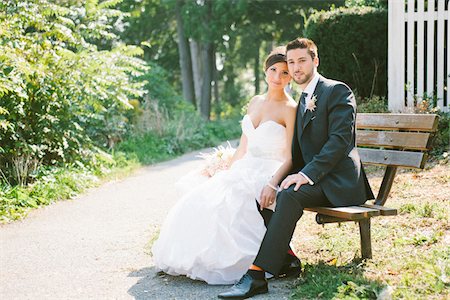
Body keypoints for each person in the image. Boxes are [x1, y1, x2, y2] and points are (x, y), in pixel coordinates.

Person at [218, 38, 375, 298]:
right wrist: (274, 178)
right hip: (316, 179)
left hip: (338, 182)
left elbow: (339, 142)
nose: (296, 67)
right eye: (291, 62)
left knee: (288, 194)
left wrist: (305, 174)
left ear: (315, 61)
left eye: (302, 60)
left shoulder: (337, 91)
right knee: (266, 188)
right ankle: (287, 259)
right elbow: (298, 152)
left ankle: (256, 273)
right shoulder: (303, 99)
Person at [152, 47, 299, 285]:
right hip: (247, 165)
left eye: (284, 73)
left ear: (290, 77)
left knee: (238, 199)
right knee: (207, 196)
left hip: (272, 168)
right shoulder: (255, 101)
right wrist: (226, 168)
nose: (277, 77)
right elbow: (243, 147)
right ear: (265, 71)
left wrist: (273, 182)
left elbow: (291, 156)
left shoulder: (290, 108)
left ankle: (262, 259)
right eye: (273, 70)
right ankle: (201, 257)